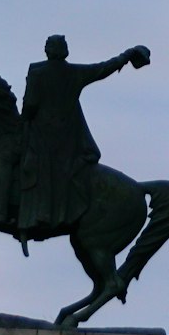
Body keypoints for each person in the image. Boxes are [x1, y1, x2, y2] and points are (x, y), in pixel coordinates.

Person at [16, 34, 150, 238]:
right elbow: (103, 68)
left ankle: (32, 217)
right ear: (64, 51)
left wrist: (23, 120)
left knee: (27, 165)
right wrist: (127, 55)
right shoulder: (74, 72)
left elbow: (30, 105)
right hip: (70, 140)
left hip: (43, 137)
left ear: (48, 51)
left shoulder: (37, 72)